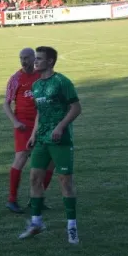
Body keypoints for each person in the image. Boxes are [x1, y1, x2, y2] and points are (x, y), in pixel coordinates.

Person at [19, 46, 82, 244]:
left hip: (60, 141)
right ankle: (37, 223)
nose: (35, 62)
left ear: (51, 62)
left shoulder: (62, 82)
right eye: (35, 58)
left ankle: (72, 226)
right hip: (41, 141)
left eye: (39, 59)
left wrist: (60, 127)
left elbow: (76, 108)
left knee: (65, 182)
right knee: (34, 180)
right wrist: (33, 134)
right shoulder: (36, 85)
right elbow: (41, 112)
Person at [3, 49, 54, 214]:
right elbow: (6, 103)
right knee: (21, 157)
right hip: (24, 124)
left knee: (50, 162)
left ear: (34, 59)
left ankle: (36, 199)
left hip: (43, 123)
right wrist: (15, 122)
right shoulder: (16, 79)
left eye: (26, 58)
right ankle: (12, 200)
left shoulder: (43, 76)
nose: (23, 61)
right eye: (21, 58)